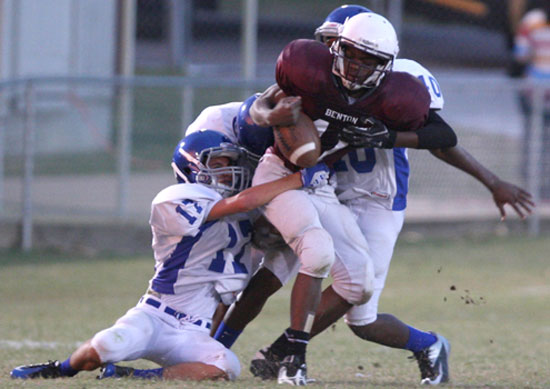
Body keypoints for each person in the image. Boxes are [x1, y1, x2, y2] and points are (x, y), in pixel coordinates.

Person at [213, 8, 534, 387]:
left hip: (377, 196)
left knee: (361, 315)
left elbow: (441, 139)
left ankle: (422, 346)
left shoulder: (404, 81)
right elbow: (268, 113)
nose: (338, 53)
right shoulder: (316, 73)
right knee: (271, 271)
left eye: (361, 53)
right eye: (335, 44)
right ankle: (217, 351)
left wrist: (489, 179)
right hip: (321, 185)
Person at [9, 129, 330, 382]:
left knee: (226, 366)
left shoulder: (246, 215)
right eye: (218, 165)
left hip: (193, 330)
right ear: (193, 168)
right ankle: (61, 368)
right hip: (154, 316)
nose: (230, 171)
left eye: (230, 163)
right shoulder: (176, 198)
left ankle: (135, 376)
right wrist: (297, 178)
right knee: (107, 347)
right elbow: (238, 204)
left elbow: (252, 225)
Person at [513, 1, 550, 198]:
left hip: (533, 90)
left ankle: (531, 185)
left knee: (533, 139)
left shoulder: (531, 20)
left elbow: (520, 55)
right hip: (539, 92)